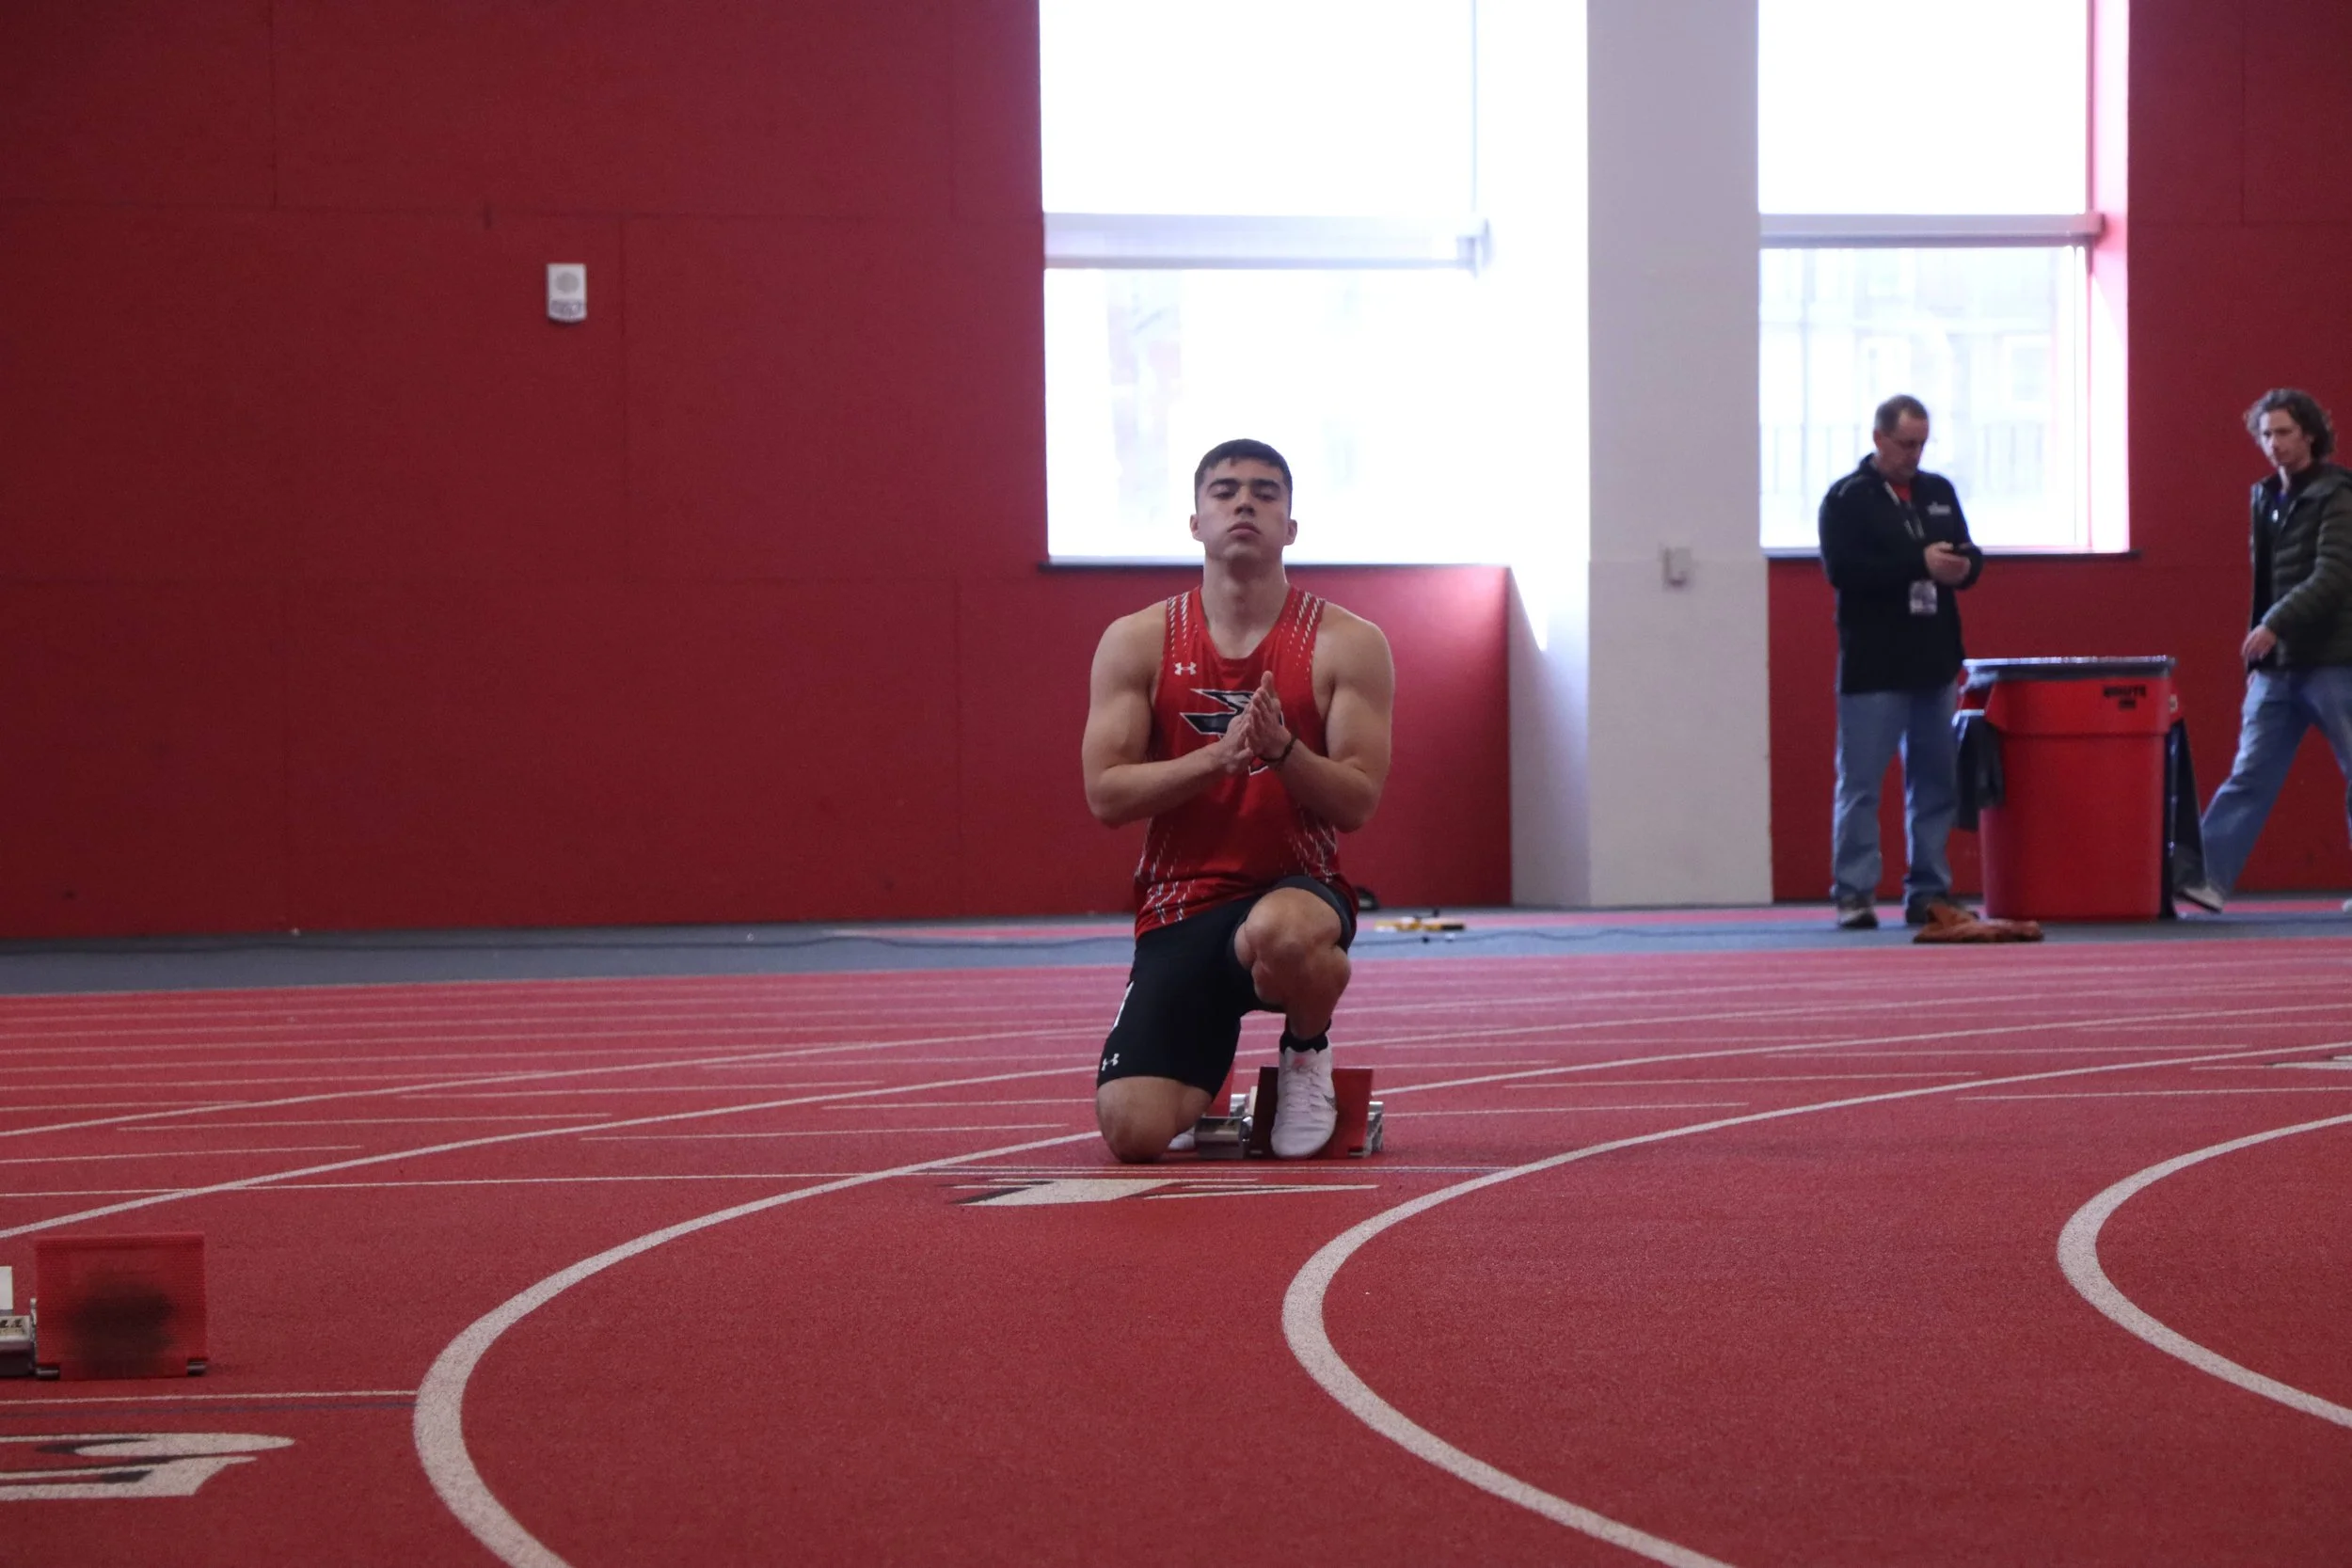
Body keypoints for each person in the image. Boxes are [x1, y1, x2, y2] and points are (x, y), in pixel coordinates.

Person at [1080, 438, 1395, 1162]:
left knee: (1286, 933)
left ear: (1291, 526)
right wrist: (1218, 759)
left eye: (1265, 491)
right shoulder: (1137, 641)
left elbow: (1356, 801)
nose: (1244, 502)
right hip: (1181, 902)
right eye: (1224, 491)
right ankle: (1204, 1067)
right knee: (1132, 1133)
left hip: (1296, 891)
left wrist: (1283, 752)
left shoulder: (1349, 643)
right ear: (1195, 521)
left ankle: (1306, 1052)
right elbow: (1106, 793)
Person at [2176, 388, 2352, 913]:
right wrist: (2261, 655)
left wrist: (2273, 625)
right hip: (2278, 668)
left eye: (2284, 433)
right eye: (2266, 434)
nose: (2274, 444)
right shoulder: (2263, 498)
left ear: (2311, 436)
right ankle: (2206, 879)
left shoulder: (2338, 495)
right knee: (2249, 773)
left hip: (2337, 662)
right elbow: (2266, 586)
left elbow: (2335, 574)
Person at [1819, 394, 1984, 929]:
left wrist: (1965, 567)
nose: (1914, 454)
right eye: (1905, 444)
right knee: (1862, 784)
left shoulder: (1938, 491)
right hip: (1874, 665)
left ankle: (1930, 891)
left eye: (1921, 444)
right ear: (1878, 439)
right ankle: (1855, 892)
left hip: (1934, 661)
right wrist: (1919, 563)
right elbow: (1844, 571)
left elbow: (1968, 550)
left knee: (1936, 783)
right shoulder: (1847, 499)